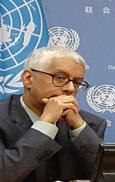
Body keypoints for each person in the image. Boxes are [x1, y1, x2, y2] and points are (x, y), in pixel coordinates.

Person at [0, 46, 107, 182]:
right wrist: (44, 125)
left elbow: (108, 175)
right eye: (60, 78)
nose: (70, 88)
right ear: (28, 78)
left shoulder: (90, 124)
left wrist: (78, 127)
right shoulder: (3, 117)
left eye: (77, 82)